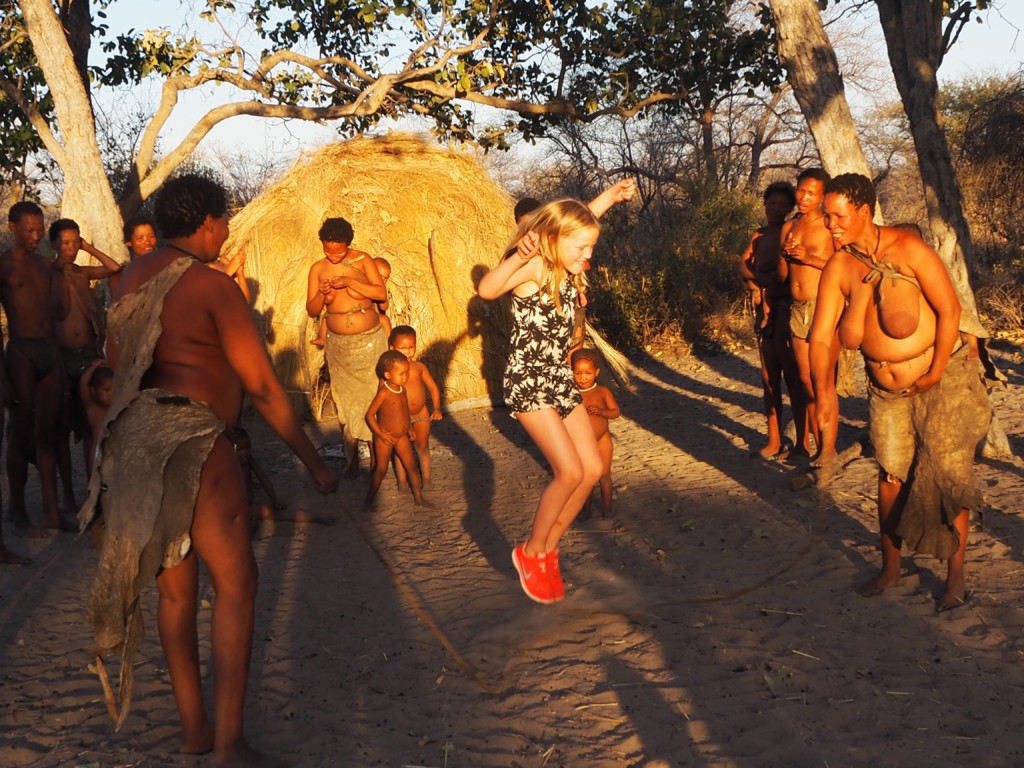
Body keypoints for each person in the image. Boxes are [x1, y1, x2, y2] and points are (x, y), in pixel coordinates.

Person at [78, 175, 338, 765]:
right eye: (224, 221)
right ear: (207, 224)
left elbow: (120, 371)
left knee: (175, 597)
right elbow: (266, 390)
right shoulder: (210, 286)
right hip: (198, 442)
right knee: (237, 588)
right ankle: (228, 745)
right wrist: (313, 464)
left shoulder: (127, 283)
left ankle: (193, 732)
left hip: (141, 448)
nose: (226, 231)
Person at [810, 173, 988, 612]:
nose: (829, 225)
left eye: (837, 216)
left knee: (947, 478)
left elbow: (950, 310)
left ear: (864, 212)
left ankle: (956, 578)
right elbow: (819, 337)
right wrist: (823, 394)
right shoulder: (839, 266)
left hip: (940, 383)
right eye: (826, 216)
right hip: (885, 392)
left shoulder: (908, 250)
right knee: (890, 477)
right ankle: (890, 568)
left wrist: (937, 369)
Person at [478, 198, 605, 604]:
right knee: (568, 471)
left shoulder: (567, 264)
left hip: (558, 378)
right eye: (581, 248)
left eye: (591, 248)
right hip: (529, 381)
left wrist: (610, 198)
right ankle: (531, 552)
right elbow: (487, 289)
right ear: (553, 240)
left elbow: (576, 219)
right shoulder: (533, 267)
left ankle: (549, 548)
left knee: (593, 469)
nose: (588, 256)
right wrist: (518, 255)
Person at [1, 201, 69, 535]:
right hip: (21, 351)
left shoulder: (45, 267)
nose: (36, 235)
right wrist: (3, 379)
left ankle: (53, 512)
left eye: (40, 229)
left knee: (47, 433)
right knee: (20, 432)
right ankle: (19, 512)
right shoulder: (4, 268)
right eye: (29, 229)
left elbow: (57, 314)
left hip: (48, 350)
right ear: (12, 227)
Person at [49, 218, 123, 508]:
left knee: (92, 424)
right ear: (54, 244)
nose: (71, 248)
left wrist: (88, 247)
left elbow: (114, 268)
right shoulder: (49, 275)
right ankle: (66, 493)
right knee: (62, 428)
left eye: (75, 242)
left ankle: (94, 487)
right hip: (61, 357)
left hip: (88, 355)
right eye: (66, 243)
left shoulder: (81, 273)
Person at [305, 217, 388, 476]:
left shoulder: (363, 260)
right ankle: (351, 459)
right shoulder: (317, 268)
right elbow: (312, 310)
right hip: (339, 346)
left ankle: (378, 458)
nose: (332, 257)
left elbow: (380, 294)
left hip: (371, 341)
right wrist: (321, 292)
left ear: (348, 244)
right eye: (327, 251)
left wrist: (351, 282)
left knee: (373, 397)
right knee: (346, 401)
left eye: (338, 252)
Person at [739, 181, 804, 460]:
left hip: (784, 307)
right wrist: (756, 285)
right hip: (763, 308)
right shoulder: (759, 234)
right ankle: (774, 440)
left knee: (793, 376)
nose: (775, 209)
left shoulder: (791, 233)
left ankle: (803, 443)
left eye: (782, 205)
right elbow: (744, 263)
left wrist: (769, 293)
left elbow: (788, 275)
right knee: (769, 378)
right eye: (771, 203)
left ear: (790, 209)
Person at [779, 169, 839, 466]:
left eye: (811, 193)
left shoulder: (830, 227)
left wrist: (809, 258)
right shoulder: (789, 227)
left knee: (822, 380)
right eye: (801, 190)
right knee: (805, 379)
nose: (803, 197)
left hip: (822, 306)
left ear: (823, 197)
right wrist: (786, 256)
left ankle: (828, 448)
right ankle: (813, 446)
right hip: (796, 307)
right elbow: (782, 273)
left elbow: (844, 265)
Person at [228, 425, 335, 532]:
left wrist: (274, 500)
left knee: (274, 512)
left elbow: (264, 480)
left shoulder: (249, 461)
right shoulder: (229, 465)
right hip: (237, 507)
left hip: (247, 505)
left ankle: (316, 518)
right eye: (240, 450)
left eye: (247, 448)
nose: (245, 453)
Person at [363, 350, 428, 509]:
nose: (405, 377)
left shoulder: (402, 390)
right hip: (385, 437)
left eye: (407, 373)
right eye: (401, 374)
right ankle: (369, 501)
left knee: (412, 467)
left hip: (401, 436)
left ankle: (419, 499)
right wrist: (380, 434)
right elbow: (370, 415)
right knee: (381, 469)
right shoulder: (384, 393)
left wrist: (409, 427)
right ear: (387, 375)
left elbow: (404, 411)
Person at [387, 325, 442, 489]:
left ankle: (426, 479)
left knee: (423, 447)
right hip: (400, 418)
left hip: (422, 414)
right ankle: (402, 481)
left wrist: (437, 408)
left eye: (411, 347)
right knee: (401, 451)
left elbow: (433, 388)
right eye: (403, 348)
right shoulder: (390, 372)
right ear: (392, 348)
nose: (408, 352)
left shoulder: (419, 367)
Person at [571, 348, 621, 520]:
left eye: (588, 372)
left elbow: (615, 412)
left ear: (597, 372)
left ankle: (607, 509)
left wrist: (601, 412)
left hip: (603, 439)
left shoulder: (602, 391)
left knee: (605, 475)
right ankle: (586, 511)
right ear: (572, 373)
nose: (583, 377)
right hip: (582, 442)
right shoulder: (571, 393)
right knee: (586, 478)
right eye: (578, 373)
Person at [312, 256, 392, 346]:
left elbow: (384, 307)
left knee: (384, 319)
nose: (383, 280)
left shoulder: (379, 289)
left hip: (369, 317)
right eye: (380, 276)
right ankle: (322, 338)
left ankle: (391, 343)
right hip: (348, 315)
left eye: (386, 278)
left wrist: (382, 293)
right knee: (328, 315)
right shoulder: (357, 280)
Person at [78, 358, 113, 478]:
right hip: (98, 455)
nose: (110, 394)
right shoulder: (93, 409)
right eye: (106, 390)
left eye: (113, 389)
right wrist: (93, 367)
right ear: (94, 391)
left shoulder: (118, 408)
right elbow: (83, 383)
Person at [108, 215, 158, 297]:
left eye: (151, 236)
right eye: (140, 238)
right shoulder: (123, 275)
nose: (147, 242)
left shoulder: (167, 265)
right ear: (129, 242)